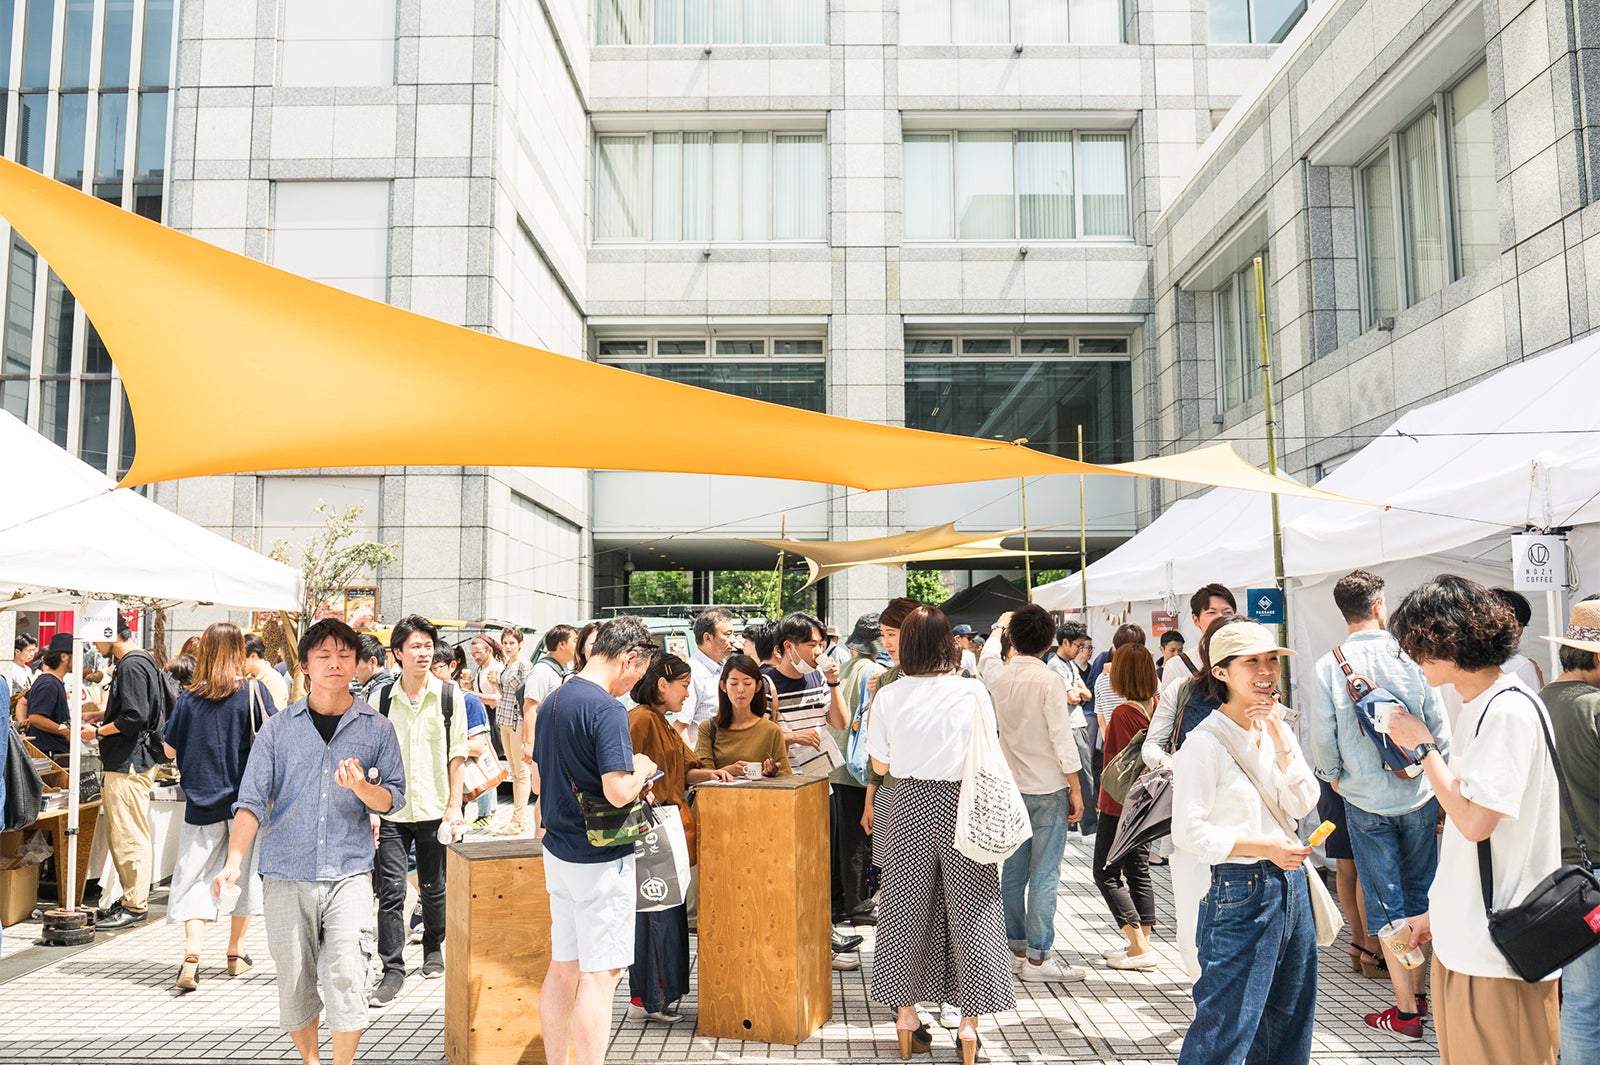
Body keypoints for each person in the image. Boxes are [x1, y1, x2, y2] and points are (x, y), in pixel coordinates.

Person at [1385, 576, 1562, 1065]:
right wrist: (1439, 912)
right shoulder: (1486, 705)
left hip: (1498, 950)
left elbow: (1475, 823)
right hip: (1475, 941)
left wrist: (1424, 749)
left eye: (1417, 646)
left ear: (1445, 643)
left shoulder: (1506, 711)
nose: (1414, 659)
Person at [214, 617, 406, 1065]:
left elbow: (392, 800)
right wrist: (233, 861)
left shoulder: (377, 728)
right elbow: (251, 802)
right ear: (304, 665)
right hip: (286, 870)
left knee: (347, 971)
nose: (335, 663)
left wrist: (361, 788)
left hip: (349, 871)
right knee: (295, 981)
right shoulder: (277, 730)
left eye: (344, 655)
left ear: (356, 663)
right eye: (324, 656)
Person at [867, 606, 1016, 1064]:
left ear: (908, 645)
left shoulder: (888, 695)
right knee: (973, 913)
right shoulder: (972, 691)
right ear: (948, 643)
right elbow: (988, 745)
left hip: (907, 804)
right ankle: (969, 1026)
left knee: (902, 912)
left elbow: (880, 764)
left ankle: (906, 1018)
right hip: (962, 805)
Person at [1306, 569, 1451, 1038]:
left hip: (1364, 798)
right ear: (1378, 606)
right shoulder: (1411, 654)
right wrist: (1440, 779)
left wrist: (1334, 777)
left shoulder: (1329, 665)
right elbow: (1438, 725)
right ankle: (1422, 993)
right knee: (1421, 894)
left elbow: (1322, 738)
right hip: (1419, 792)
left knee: (1386, 901)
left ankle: (1406, 1011)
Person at [1170, 620, 1319, 1065]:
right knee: (1225, 1029)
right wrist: (1265, 847)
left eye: (1272, 659)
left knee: (1288, 1026)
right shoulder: (1204, 743)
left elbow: (1303, 802)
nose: (1266, 670)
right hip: (1240, 888)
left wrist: (1281, 739)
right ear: (1221, 672)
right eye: (1251, 661)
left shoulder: (1275, 729)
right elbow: (1189, 831)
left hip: (1292, 886)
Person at [529, 616, 659, 1065]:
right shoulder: (606, 709)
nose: (634, 684)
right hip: (601, 859)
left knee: (563, 968)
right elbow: (618, 791)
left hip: (559, 850)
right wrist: (643, 768)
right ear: (629, 659)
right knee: (601, 976)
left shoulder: (553, 698)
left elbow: (539, 780)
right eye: (638, 674)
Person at [163, 622, 273, 991]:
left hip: (200, 801)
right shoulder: (253, 692)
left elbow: (169, 749)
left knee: (195, 875)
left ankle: (192, 953)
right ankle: (235, 952)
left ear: (204, 653)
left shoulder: (189, 699)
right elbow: (273, 739)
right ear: (240, 651)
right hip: (246, 803)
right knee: (243, 873)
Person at [978, 605, 1085, 983]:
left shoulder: (998, 675)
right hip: (1049, 787)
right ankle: (1039, 959)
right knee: (1044, 874)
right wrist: (1076, 788)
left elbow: (987, 657)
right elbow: (1062, 740)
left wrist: (998, 626)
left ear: (1013, 638)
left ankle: (1016, 949)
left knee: (1013, 872)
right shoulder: (1049, 681)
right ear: (1049, 642)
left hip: (1010, 788)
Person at [626, 653, 735, 1022]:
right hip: (652, 828)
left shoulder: (660, 721)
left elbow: (687, 772)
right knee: (656, 913)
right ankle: (649, 998)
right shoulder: (642, 719)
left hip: (667, 827)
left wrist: (719, 773)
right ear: (662, 685)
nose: (688, 694)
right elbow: (625, 772)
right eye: (684, 685)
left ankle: (656, 996)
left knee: (665, 911)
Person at [369, 615, 468, 1005]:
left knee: (433, 886)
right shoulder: (380, 699)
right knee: (391, 890)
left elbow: (457, 754)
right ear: (398, 652)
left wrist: (455, 806)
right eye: (415, 646)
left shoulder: (449, 696)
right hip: (392, 810)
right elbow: (370, 758)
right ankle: (392, 969)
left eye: (428, 645)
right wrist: (370, 809)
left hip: (434, 808)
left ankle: (432, 947)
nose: (424, 653)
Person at [1537, 595, 1600, 1065]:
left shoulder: (1533, 705)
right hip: (1594, 867)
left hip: (1553, 876)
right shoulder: (1594, 707)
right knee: (1586, 1003)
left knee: (1578, 999)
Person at [88, 623, 163, 929]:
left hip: (129, 761)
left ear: (110, 634)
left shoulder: (131, 664)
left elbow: (135, 716)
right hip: (133, 759)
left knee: (128, 835)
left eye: (96, 637)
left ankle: (134, 904)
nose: (94, 645)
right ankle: (131, 899)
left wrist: (97, 731)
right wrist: (102, 717)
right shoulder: (141, 660)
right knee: (127, 833)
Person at [1093, 644, 1160, 970]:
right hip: (1147, 802)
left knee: (1105, 872)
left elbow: (1117, 765)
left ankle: (1139, 946)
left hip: (1119, 805)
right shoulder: (1156, 706)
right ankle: (1140, 944)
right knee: (1138, 870)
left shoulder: (1122, 714)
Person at [830, 614, 885, 926]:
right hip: (860, 768)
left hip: (837, 763)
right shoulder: (875, 672)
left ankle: (839, 901)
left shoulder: (846, 667)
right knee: (859, 838)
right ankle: (858, 904)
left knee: (841, 839)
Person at [763, 612, 848, 776]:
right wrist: (794, 737)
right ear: (789, 647)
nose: (819, 652)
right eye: (812, 645)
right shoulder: (767, 686)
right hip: (786, 780)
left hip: (820, 778)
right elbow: (757, 737)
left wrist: (833, 682)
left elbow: (840, 724)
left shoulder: (819, 677)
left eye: (821, 645)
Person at [514, 624, 578, 837]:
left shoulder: (561, 669)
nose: (577, 644)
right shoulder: (542, 671)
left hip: (555, 743)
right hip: (544, 744)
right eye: (574, 640)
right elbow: (530, 708)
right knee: (544, 793)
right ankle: (540, 841)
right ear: (561, 644)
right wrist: (530, 744)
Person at [431, 646, 495, 828]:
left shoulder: (468, 700)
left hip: (453, 784)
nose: (431, 674)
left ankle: (487, 813)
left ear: (452, 666)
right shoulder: (420, 699)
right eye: (427, 668)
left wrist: (438, 743)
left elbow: (478, 747)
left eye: (436, 668)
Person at [696, 655, 791, 777]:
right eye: (734, 683)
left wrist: (771, 774)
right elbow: (704, 775)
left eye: (747, 683)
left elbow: (786, 778)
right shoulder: (708, 728)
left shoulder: (772, 731)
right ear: (723, 686)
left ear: (758, 686)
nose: (740, 689)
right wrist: (728, 771)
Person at [1047, 621, 1097, 837]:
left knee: (1082, 775)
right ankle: (1088, 827)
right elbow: (1073, 697)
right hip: (1070, 726)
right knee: (1082, 776)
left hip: (1077, 723)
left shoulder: (1070, 665)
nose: (1080, 650)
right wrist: (1077, 692)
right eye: (1078, 645)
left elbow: (1087, 694)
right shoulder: (1055, 665)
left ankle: (1076, 824)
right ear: (1065, 642)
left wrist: (1078, 692)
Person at [1159, 584, 1237, 700]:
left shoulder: (1248, 657)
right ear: (1196, 620)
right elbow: (1167, 710)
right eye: (1211, 612)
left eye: (1227, 612)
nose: (1220, 617)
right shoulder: (1177, 665)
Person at [20, 634, 83, 767]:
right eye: (76, 655)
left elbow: (22, 702)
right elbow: (36, 717)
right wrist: (64, 730)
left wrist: (22, 722)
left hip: (50, 754)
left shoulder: (48, 681)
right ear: (64, 657)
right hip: (49, 756)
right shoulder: (49, 684)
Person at [678, 608, 736, 746]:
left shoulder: (726, 668)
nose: (733, 640)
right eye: (727, 634)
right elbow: (680, 727)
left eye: (734, 634)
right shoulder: (692, 673)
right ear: (707, 638)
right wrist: (694, 760)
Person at [493, 627, 532, 832]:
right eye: (505, 643)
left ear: (520, 644)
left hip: (518, 721)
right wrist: (495, 683)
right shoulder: (507, 664)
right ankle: (516, 820)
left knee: (521, 772)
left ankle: (518, 820)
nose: (508, 647)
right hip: (505, 719)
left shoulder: (524, 665)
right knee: (514, 772)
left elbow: (528, 696)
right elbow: (504, 693)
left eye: (512, 643)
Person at [1491, 587, 1546, 690]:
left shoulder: (1462, 660)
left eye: (1521, 625)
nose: (1517, 630)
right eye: (1511, 624)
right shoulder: (1522, 666)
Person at [246, 633, 291, 711]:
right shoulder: (249, 677)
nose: (237, 663)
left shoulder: (273, 679)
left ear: (253, 656)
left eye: (240, 658)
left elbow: (275, 713)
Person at [353, 635, 394, 703]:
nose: (352, 671)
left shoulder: (379, 691)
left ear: (372, 662)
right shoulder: (381, 686)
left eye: (355, 664)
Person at [7, 633, 37, 703]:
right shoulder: (11, 669)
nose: (32, 654)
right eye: (29, 651)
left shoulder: (28, 669)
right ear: (17, 651)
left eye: (33, 650)